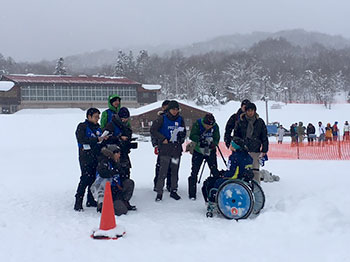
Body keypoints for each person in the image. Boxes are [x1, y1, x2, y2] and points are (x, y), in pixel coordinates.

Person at [150, 100, 186, 201]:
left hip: (176, 150)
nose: (175, 111)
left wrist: (180, 136)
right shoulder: (162, 118)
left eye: (176, 109)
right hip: (165, 150)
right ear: (169, 109)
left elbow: (183, 131)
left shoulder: (180, 119)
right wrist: (162, 139)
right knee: (163, 171)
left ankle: (173, 190)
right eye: (173, 109)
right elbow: (153, 130)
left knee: (175, 171)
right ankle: (159, 192)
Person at [74, 108, 109, 211]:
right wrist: (96, 139)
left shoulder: (98, 128)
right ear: (89, 116)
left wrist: (103, 139)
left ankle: (90, 199)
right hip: (85, 156)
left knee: (94, 178)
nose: (97, 119)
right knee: (85, 178)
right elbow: (82, 139)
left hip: (96, 156)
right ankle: (78, 201)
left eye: (98, 117)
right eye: (95, 117)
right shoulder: (82, 127)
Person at [202, 138, 253, 203]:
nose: (230, 146)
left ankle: (213, 200)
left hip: (234, 179)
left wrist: (223, 175)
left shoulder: (234, 157)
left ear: (235, 147)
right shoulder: (248, 156)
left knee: (211, 182)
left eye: (232, 145)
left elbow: (232, 173)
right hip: (243, 178)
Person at [91, 145, 136, 216]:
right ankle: (104, 205)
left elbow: (122, 176)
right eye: (117, 153)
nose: (119, 155)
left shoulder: (117, 162)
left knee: (129, 183)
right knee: (121, 211)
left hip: (116, 189)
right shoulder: (104, 162)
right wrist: (114, 171)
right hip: (107, 190)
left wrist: (122, 169)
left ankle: (123, 202)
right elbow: (103, 173)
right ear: (112, 153)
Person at [234, 102, 268, 184]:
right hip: (243, 150)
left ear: (255, 111)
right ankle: (244, 187)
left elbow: (264, 136)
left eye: (252, 110)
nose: (250, 112)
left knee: (255, 171)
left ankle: (256, 188)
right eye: (248, 110)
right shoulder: (240, 122)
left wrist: (264, 150)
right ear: (245, 111)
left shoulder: (260, 122)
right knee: (243, 170)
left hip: (255, 150)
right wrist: (239, 144)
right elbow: (235, 136)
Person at [188, 113, 220, 200]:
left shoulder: (215, 126)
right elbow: (192, 136)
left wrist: (214, 144)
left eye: (210, 126)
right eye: (206, 125)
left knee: (214, 170)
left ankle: (216, 190)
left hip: (210, 151)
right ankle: (192, 193)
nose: (208, 127)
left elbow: (217, 138)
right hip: (198, 150)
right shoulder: (197, 124)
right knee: (194, 171)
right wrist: (200, 139)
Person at [104, 107, 135, 181]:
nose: (125, 120)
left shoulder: (126, 126)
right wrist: (119, 138)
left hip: (124, 152)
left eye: (126, 118)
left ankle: (125, 187)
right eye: (123, 118)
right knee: (117, 171)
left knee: (126, 171)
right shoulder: (111, 125)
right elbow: (105, 138)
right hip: (114, 153)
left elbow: (128, 135)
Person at [151, 100, 172, 192]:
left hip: (172, 146)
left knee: (172, 166)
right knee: (160, 166)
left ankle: (170, 185)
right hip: (161, 146)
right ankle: (157, 184)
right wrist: (155, 144)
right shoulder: (160, 118)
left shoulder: (174, 118)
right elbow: (153, 132)